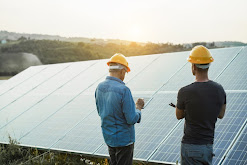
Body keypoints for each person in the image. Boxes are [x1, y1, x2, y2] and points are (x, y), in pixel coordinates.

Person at [175, 45, 226, 165]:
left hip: (190, 145)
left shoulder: (184, 91)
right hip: (207, 146)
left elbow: (178, 115)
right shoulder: (219, 89)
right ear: (209, 66)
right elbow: (221, 114)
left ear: (193, 67)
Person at [95, 53, 144, 165]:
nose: (125, 75)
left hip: (109, 138)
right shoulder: (123, 90)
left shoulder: (99, 87)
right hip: (124, 141)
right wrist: (138, 108)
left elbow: (100, 112)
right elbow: (131, 118)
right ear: (122, 71)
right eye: (125, 73)